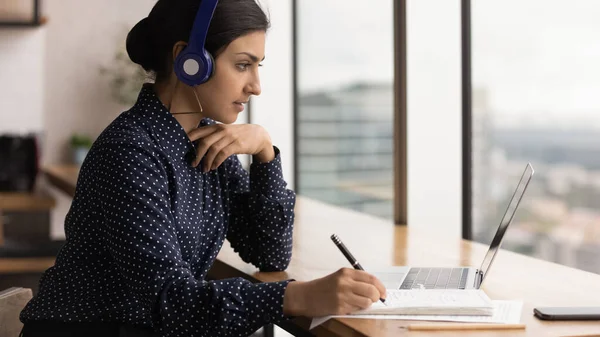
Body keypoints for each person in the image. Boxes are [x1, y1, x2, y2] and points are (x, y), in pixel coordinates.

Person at [19, 0, 386, 336]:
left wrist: (263, 153)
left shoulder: (207, 143)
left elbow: (270, 253)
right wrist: (297, 297)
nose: (256, 86)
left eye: (258, 66)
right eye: (243, 65)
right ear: (189, 60)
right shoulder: (129, 151)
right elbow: (172, 303)